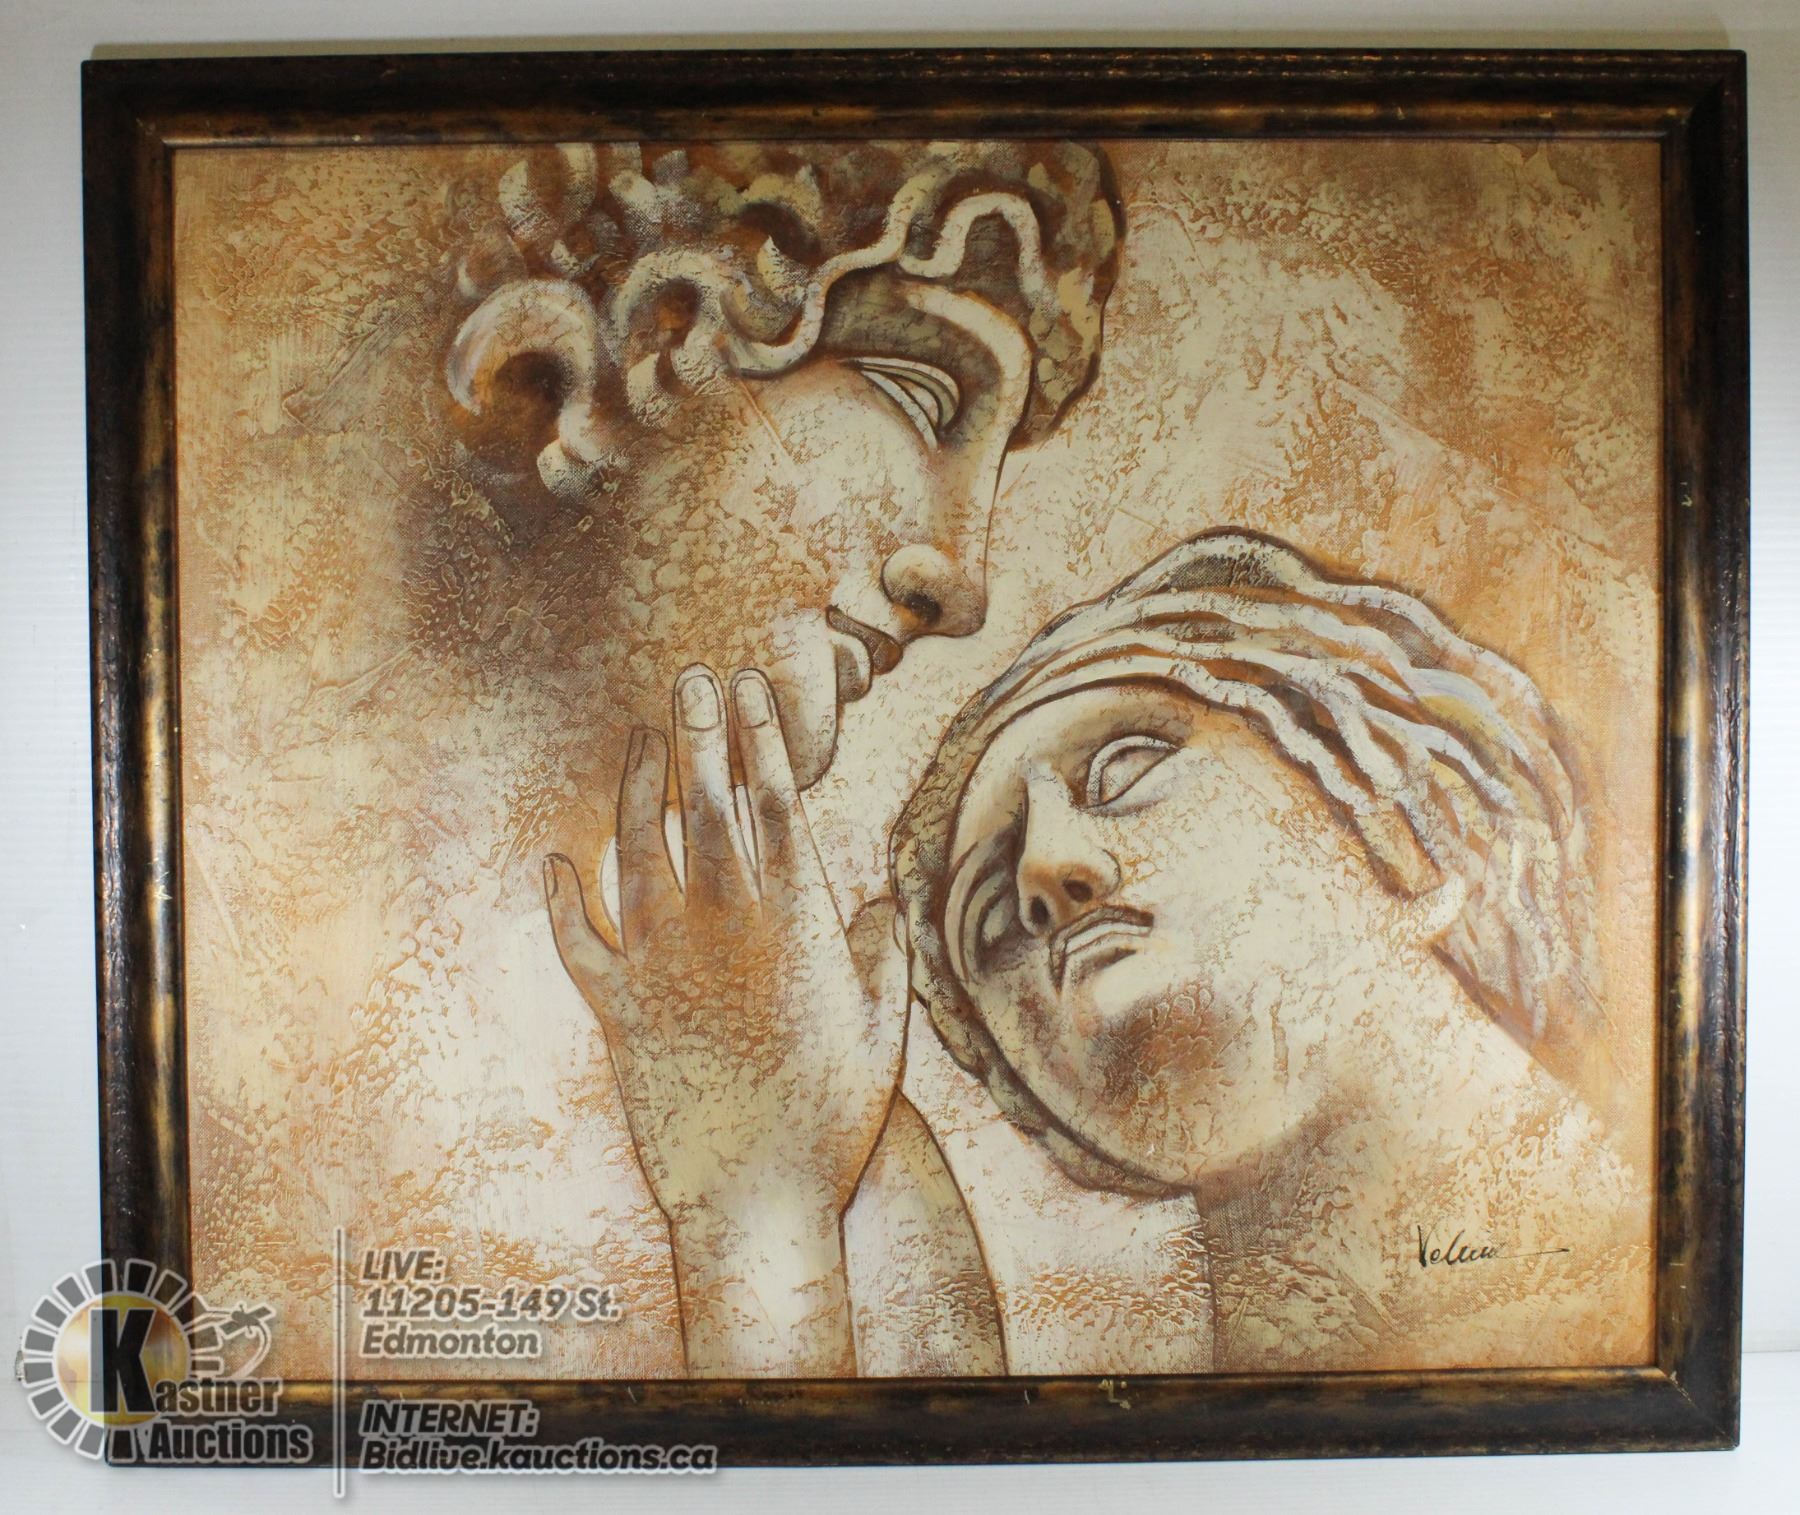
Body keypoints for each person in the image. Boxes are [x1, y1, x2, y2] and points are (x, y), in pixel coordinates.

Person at [461, 139, 1120, 1375]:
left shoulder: (847, 1143)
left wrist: (761, 1204)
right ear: (634, 348)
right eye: (918, 394)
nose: (962, 582)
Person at [887, 529, 1651, 1370]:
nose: (1043, 871)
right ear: (1037, 1099)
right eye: (991, 916)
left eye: (1125, 766)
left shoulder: (1649, 1272)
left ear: (1403, 832)